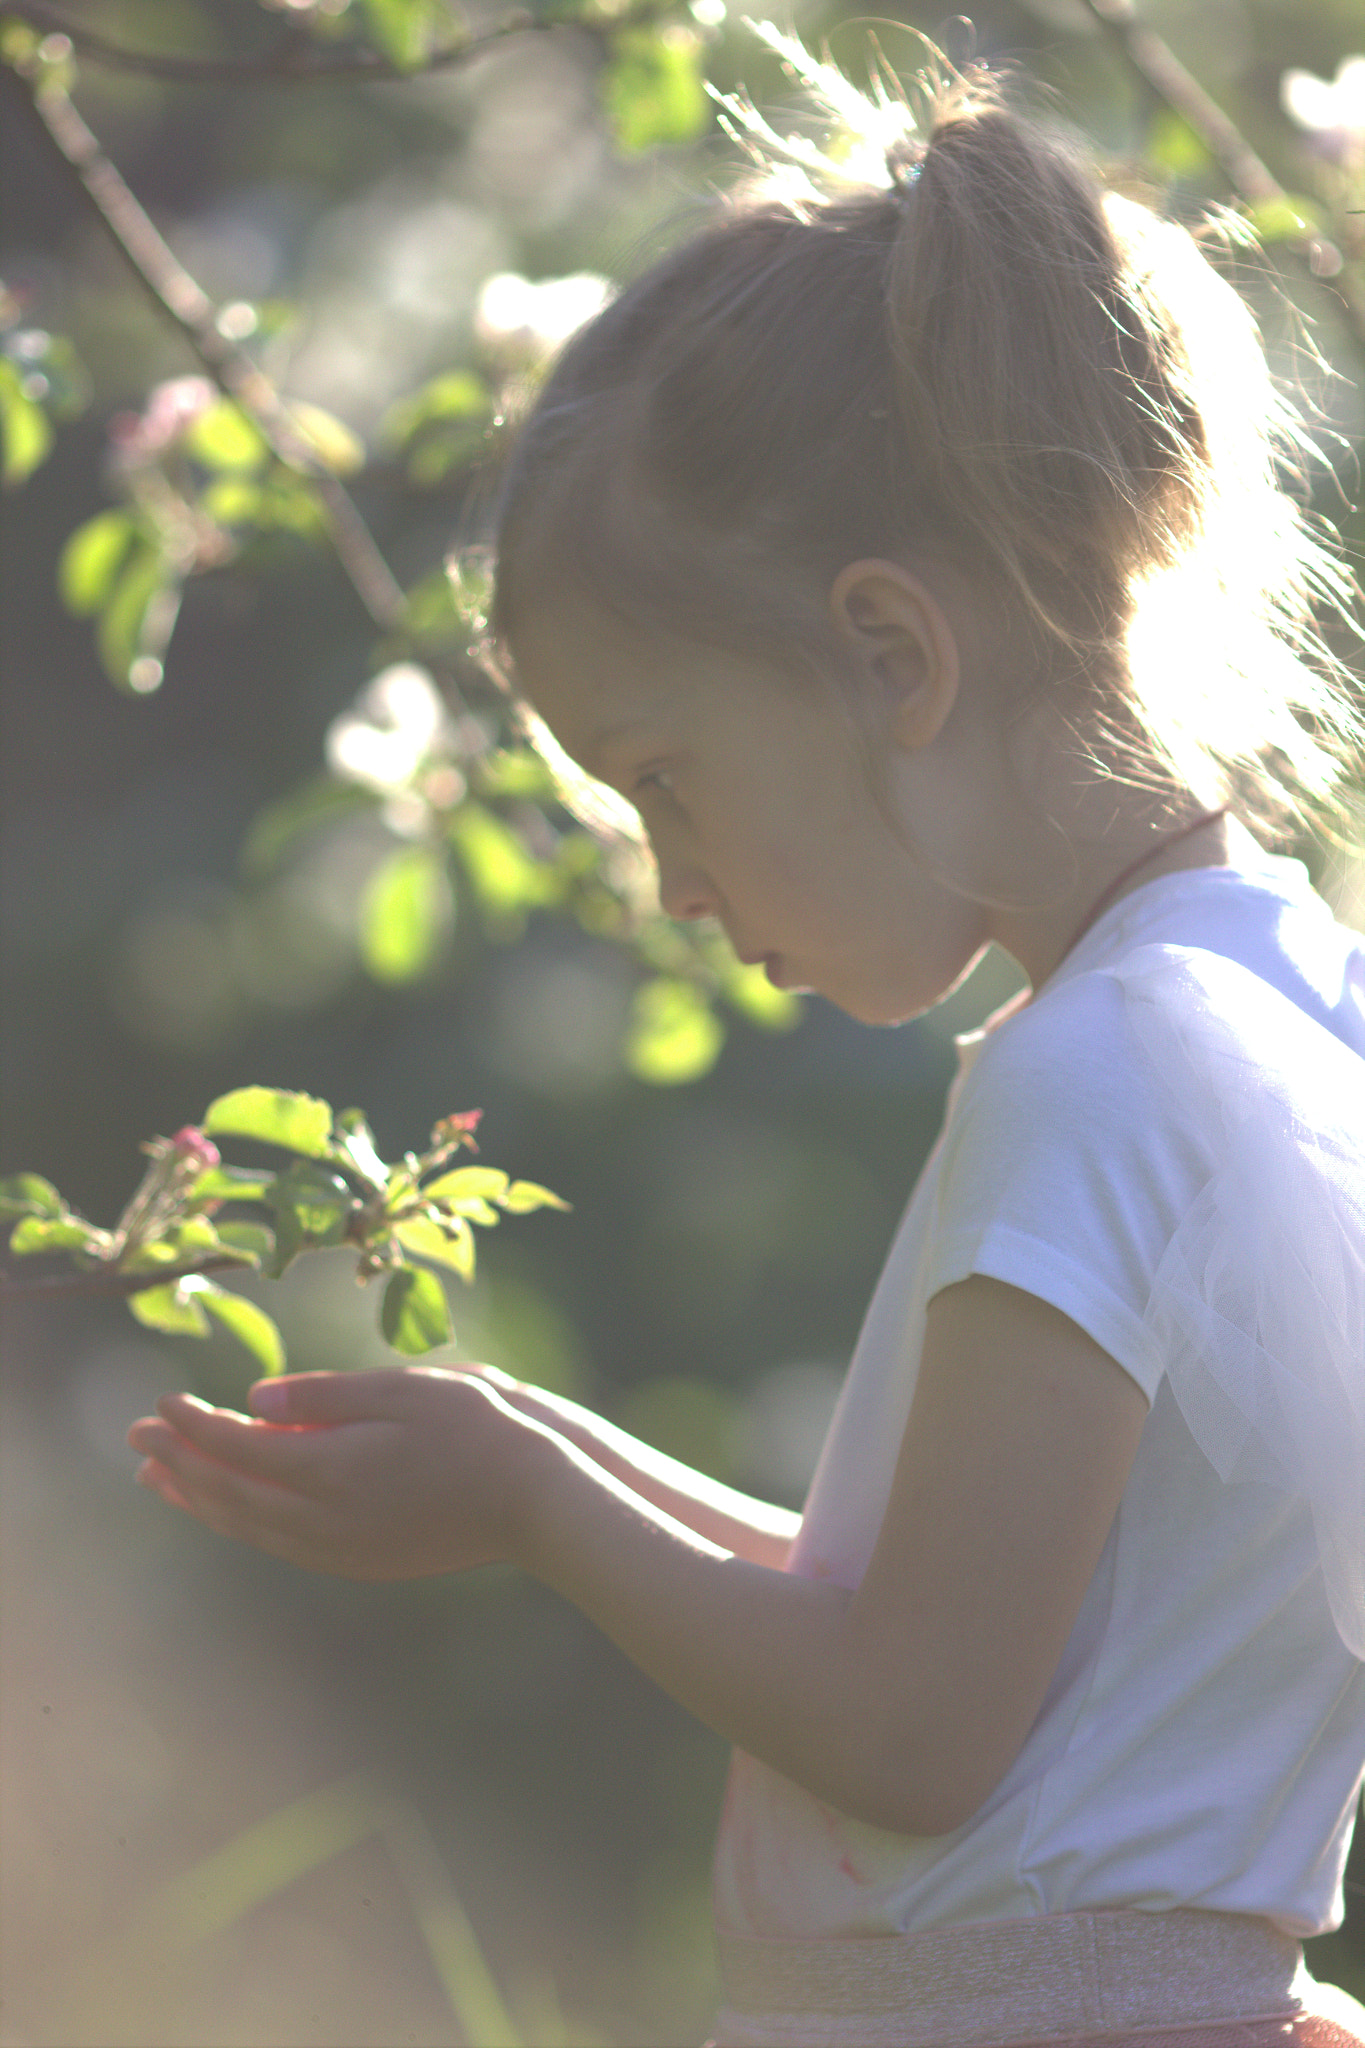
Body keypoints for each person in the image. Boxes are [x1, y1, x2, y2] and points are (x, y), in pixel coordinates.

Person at [128, 43, 1365, 2048]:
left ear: (888, 654)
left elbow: (909, 1725)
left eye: (664, 779)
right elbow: (961, 1618)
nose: (668, 882)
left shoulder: (1091, 1079)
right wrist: (529, 1452)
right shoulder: (1261, 1001)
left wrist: (541, 1518)